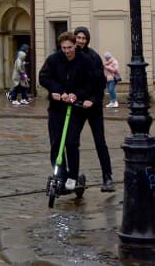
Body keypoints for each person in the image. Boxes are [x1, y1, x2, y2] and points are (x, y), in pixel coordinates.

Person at [39, 31, 103, 192]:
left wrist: (78, 95)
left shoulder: (85, 61)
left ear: (75, 45)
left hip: (75, 109)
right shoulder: (54, 59)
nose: (66, 51)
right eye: (63, 48)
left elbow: (92, 83)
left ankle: (73, 176)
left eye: (69, 47)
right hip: (57, 106)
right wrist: (57, 91)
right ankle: (60, 174)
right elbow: (44, 77)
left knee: (71, 142)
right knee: (56, 142)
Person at [73, 27, 115, 192]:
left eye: (83, 38)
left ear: (87, 40)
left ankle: (108, 177)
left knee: (100, 142)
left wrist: (92, 100)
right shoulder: (70, 56)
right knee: (72, 141)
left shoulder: (93, 57)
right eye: (78, 37)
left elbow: (100, 83)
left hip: (93, 106)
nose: (80, 40)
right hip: (77, 106)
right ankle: (72, 176)